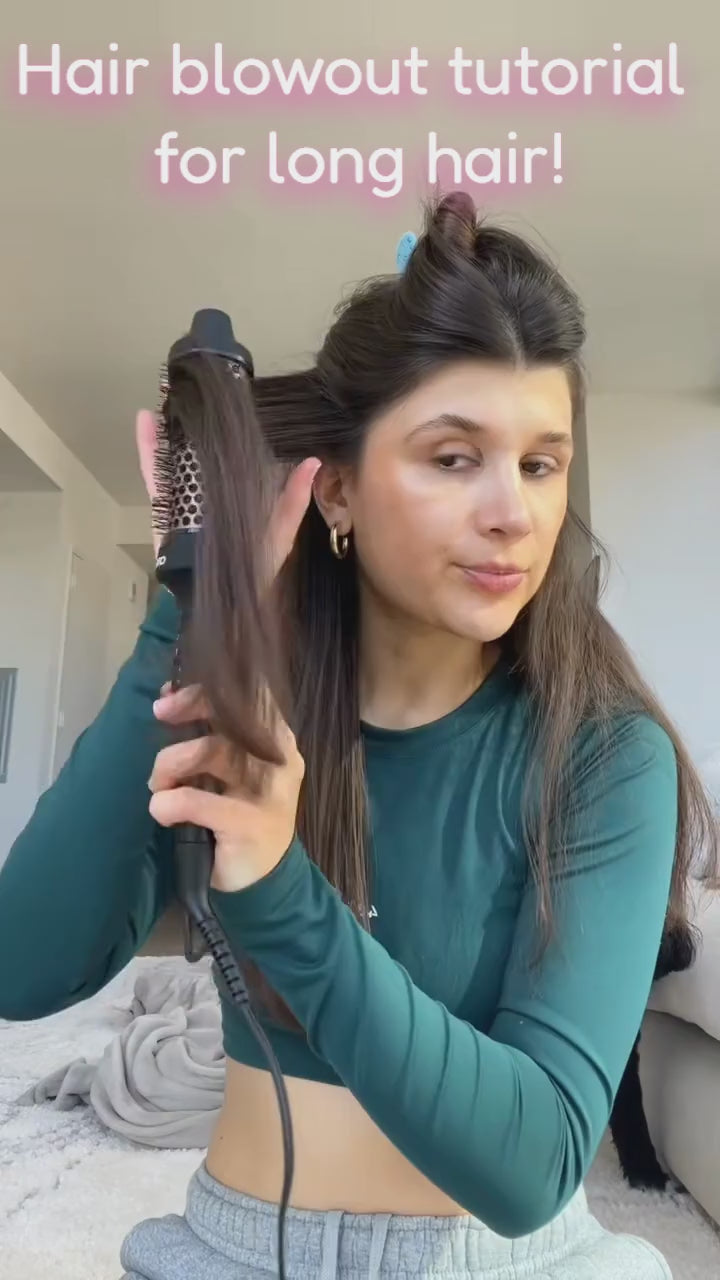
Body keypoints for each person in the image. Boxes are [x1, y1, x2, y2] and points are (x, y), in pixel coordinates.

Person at [0, 191, 716, 1280]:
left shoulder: (606, 755)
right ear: (336, 488)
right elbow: (24, 966)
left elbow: (535, 1162)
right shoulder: (246, 713)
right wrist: (192, 612)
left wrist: (279, 883)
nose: (514, 513)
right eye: (453, 457)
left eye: (540, 463)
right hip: (232, 1244)